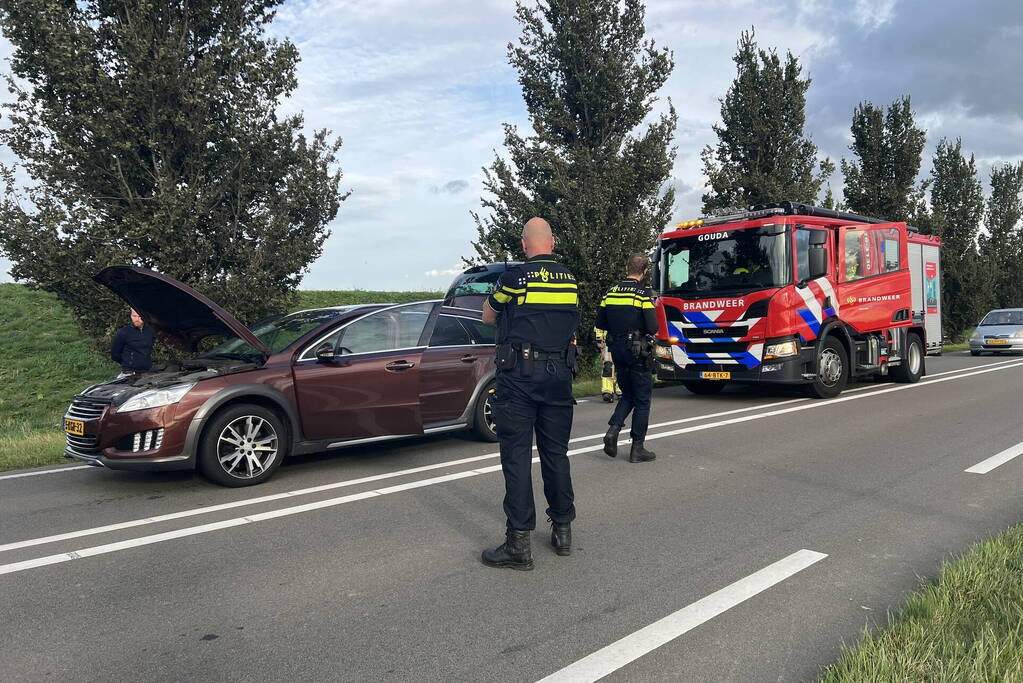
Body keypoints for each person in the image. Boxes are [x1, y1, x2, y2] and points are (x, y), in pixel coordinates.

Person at [480, 217, 580, 570]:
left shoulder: (512, 278)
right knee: (556, 454)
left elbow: (489, 316)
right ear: (551, 243)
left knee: (517, 459)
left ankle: (518, 543)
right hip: (559, 376)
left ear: (525, 245)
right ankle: (563, 530)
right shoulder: (569, 278)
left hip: (519, 378)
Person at [595, 253, 658, 463]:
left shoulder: (610, 292)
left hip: (617, 350)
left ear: (625, 268)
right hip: (637, 350)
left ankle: (613, 431)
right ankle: (637, 448)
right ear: (646, 271)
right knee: (642, 400)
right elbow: (652, 327)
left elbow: (601, 323)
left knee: (628, 395)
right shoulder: (643, 293)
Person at [111, 308, 155, 379]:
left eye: (140, 316)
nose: (137, 319)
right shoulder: (123, 332)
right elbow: (115, 354)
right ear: (131, 316)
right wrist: (128, 362)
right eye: (134, 316)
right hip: (129, 374)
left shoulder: (150, 331)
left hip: (146, 373)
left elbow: (149, 348)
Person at [594, 327, 622, 402]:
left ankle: (622, 390)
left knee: (622, 366)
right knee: (608, 366)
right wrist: (599, 339)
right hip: (608, 341)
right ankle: (607, 391)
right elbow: (599, 323)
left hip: (624, 340)